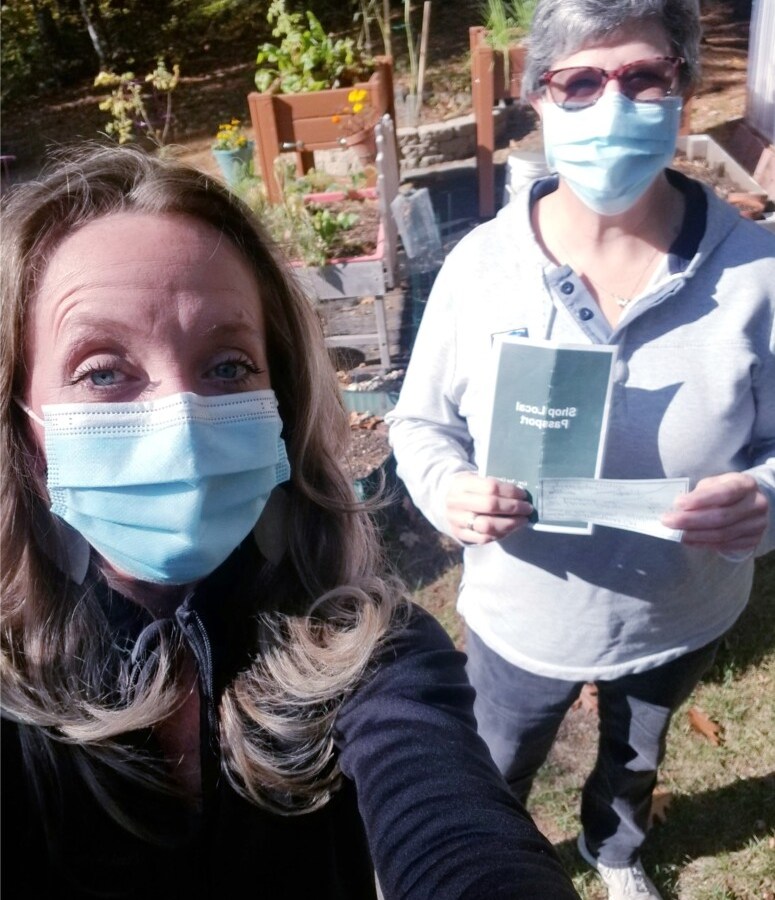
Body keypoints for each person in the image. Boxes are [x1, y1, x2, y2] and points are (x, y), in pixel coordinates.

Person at [0, 144, 580, 900]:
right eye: (102, 371)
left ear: (283, 398)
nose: (184, 420)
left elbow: (455, 830)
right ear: (23, 424)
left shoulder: (370, 651)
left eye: (228, 366)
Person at [386, 1, 775, 898]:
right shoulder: (479, 267)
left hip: (677, 612)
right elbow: (418, 423)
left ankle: (616, 853)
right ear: (537, 98)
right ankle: (484, 865)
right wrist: (448, 490)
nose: (614, 103)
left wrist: (764, 494)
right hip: (524, 617)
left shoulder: (757, 271)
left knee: (636, 753)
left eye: (644, 76)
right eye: (580, 82)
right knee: (495, 762)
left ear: (682, 88)